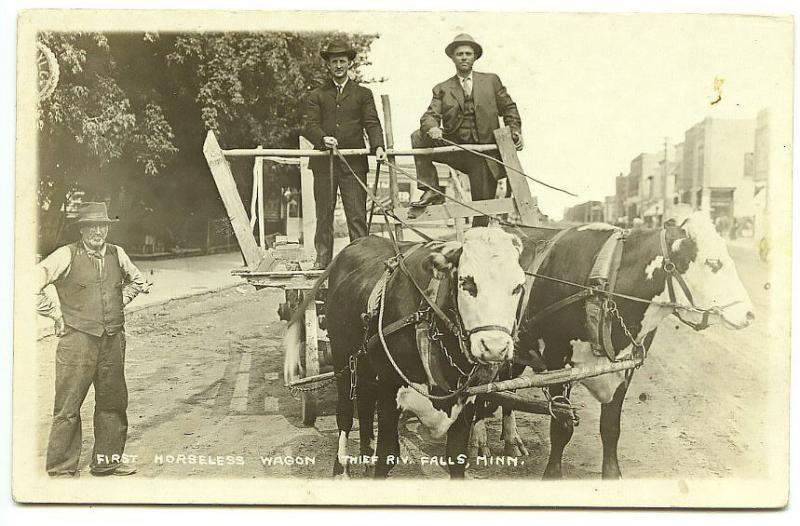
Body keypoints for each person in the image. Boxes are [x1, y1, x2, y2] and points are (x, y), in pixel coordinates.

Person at [36, 202, 150, 477]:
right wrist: (56, 315)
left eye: (103, 225)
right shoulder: (65, 255)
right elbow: (28, 284)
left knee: (113, 401)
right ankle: (61, 468)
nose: (98, 231)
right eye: (92, 226)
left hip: (112, 340)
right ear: (83, 229)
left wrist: (121, 300)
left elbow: (138, 281)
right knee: (68, 405)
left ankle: (107, 462)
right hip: (77, 341)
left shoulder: (117, 253)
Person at [409, 33, 523, 227]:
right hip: (456, 149)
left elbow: (509, 108)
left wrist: (515, 130)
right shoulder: (442, 88)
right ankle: (432, 190)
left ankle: (479, 248)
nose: (464, 57)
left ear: (475, 57)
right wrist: (433, 128)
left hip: (484, 155)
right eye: (459, 53)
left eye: (468, 53)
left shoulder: (491, 81)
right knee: (418, 137)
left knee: (482, 211)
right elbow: (429, 116)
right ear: (452, 58)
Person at [304, 41, 386, 269]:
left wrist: (378, 147)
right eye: (334, 62)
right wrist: (322, 139)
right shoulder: (317, 95)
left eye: (342, 61)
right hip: (324, 164)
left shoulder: (363, 94)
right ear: (328, 66)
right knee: (324, 216)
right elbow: (310, 125)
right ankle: (322, 262)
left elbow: (372, 123)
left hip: (354, 165)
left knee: (356, 215)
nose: (338, 65)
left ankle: (361, 262)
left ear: (350, 63)